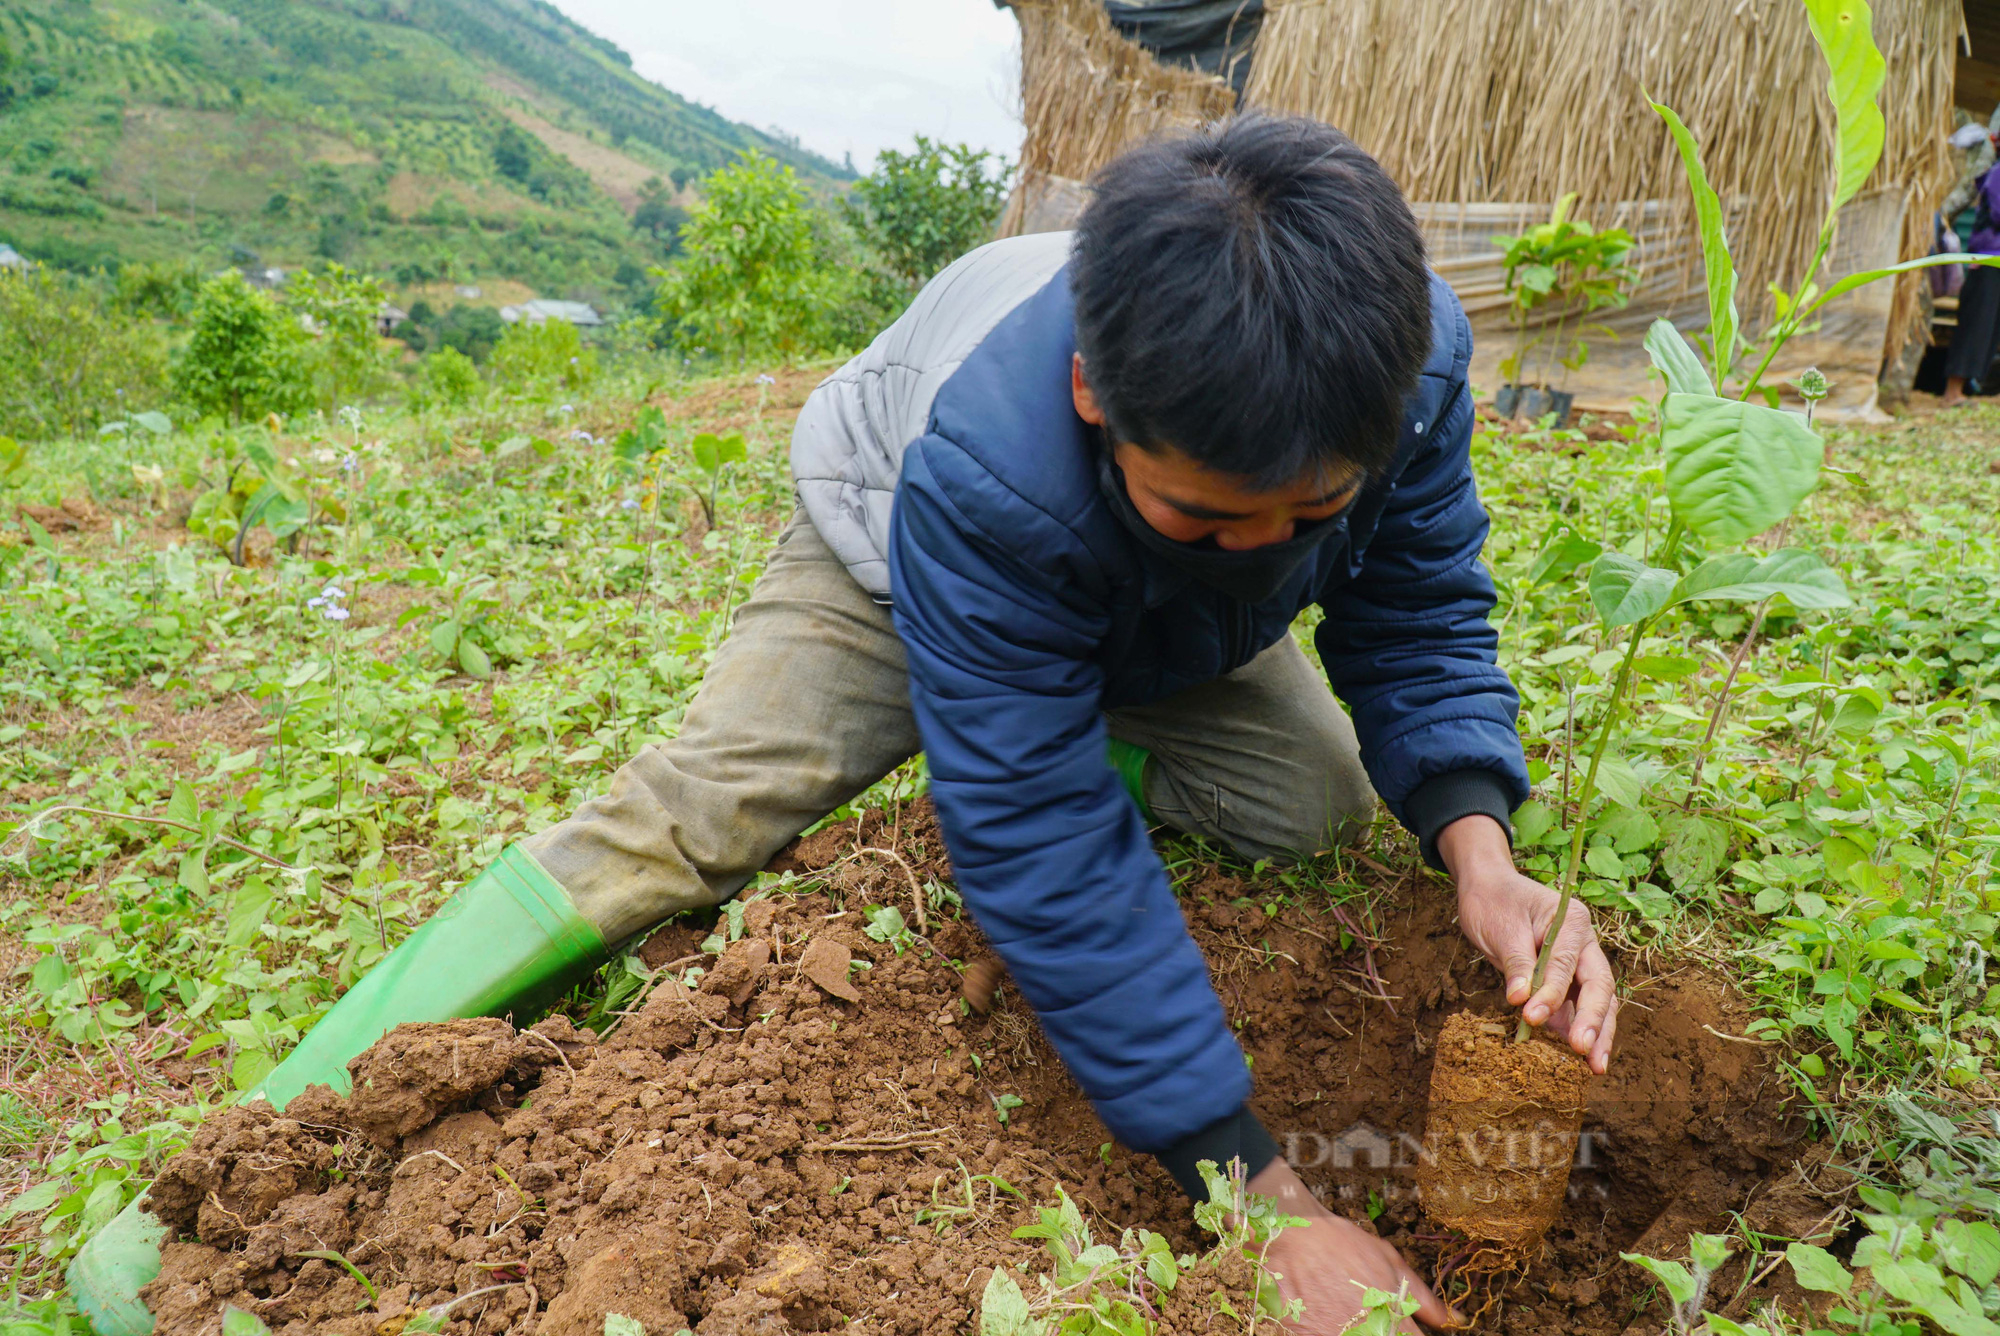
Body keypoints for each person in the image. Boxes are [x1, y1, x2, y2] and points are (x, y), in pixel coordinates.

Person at [70, 114, 1619, 1336]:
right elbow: (1039, 851)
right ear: (1095, 395)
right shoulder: (990, 474)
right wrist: (1266, 1198)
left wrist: (1479, 850)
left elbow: (1414, 608)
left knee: (1312, 798)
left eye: (1310, 513)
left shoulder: (1395, 367)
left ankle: (1061, 696)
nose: (1270, 544)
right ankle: (247, 1143)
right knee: (711, 806)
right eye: (1211, 512)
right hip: (889, 555)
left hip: (1127, 612)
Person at [1943, 119, 2000, 406]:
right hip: (1989, 261)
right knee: (1977, 325)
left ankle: (1971, 388)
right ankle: (1952, 392)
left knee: (1990, 328)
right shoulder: (1997, 175)